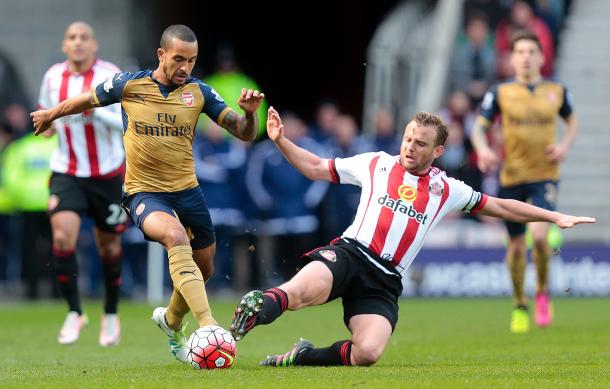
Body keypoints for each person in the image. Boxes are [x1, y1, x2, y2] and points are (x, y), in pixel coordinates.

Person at [229, 107, 593, 367]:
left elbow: (501, 206)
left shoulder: (445, 188)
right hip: (350, 254)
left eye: (420, 143)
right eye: (407, 138)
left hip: (385, 280)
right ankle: (251, 315)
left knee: (367, 353)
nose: (409, 146)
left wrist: (554, 215)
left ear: (437, 151)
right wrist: (280, 140)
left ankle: (303, 356)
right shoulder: (375, 163)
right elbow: (314, 167)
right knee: (296, 292)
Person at [31, 24, 264, 362]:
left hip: (188, 193)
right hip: (143, 193)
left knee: (205, 268)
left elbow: (243, 133)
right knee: (173, 236)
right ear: (161, 54)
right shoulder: (130, 85)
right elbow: (87, 99)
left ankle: (171, 321)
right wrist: (51, 113)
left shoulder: (199, 92)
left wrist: (250, 114)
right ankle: (208, 325)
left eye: (192, 60)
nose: (185, 67)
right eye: (178, 59)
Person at [470, 30, 579, 333]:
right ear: (512, 58)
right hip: (511, 177)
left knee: (542, 238)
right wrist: (483, 150)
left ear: (542, 57)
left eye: (532, 51)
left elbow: (572, 122)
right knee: (517, 247)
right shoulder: (501, 92)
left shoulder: (556, 90)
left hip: (545, 176)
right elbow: (479, 128)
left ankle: (542, 291)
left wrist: (564, 147)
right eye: (521, 52)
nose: (527, 57)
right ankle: (520, 303)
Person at [36, 21, 126, 346]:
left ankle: (111, 313)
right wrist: (47, 123)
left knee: (109, 246)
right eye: (72, 37)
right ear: (64, 45)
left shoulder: (110, 75)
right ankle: (75, 312)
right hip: (67, 171)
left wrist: (90, 107)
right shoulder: (52, 77)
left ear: (95, 44)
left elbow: (124, 121)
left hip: (108, 174)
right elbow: (46, 117)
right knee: (61, 236)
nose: (77, 43)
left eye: (84, 37)